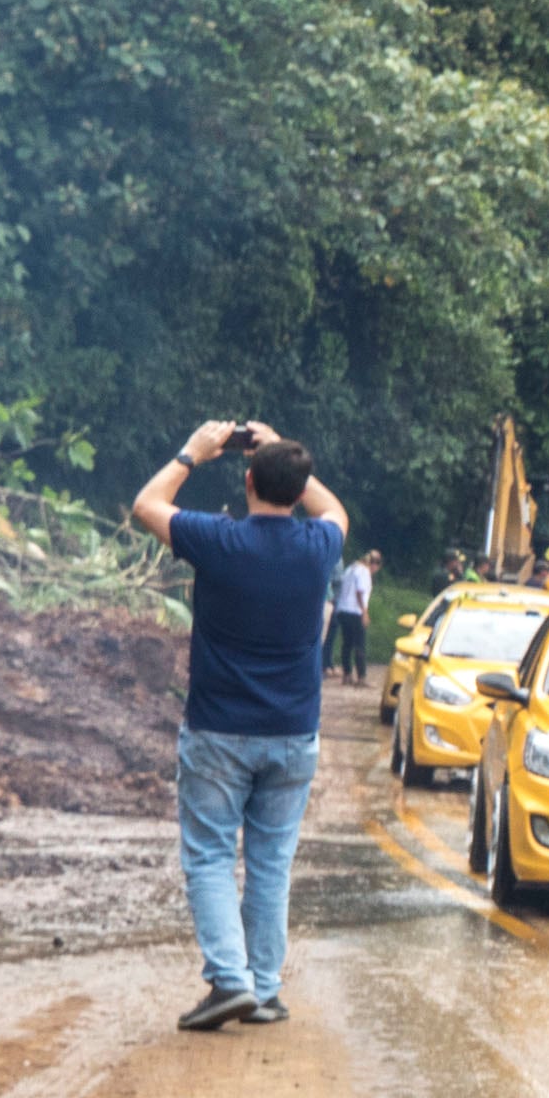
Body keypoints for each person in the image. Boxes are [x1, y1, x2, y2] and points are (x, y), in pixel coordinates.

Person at [130, 422, 347, 1033]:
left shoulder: (218, 539)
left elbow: (147, 504)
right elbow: (333, 508)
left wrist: (191, 454)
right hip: (293, 733)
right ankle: (266, 989)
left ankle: (230, 981)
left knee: (209, 856)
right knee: (271, 864)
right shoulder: (318, 545)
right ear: (297, 489)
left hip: (219, 730)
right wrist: (279, 447)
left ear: (247, 481)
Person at [324, 547, 376, 684]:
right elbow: (360, 592)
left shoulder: (350, 569)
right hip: (355, 611)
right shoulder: (364, 572)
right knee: (360, 644)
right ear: (374, 565)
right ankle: (361, 677)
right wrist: (364, 612)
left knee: (347, 644)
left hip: (342, 609)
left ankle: (347, 675)